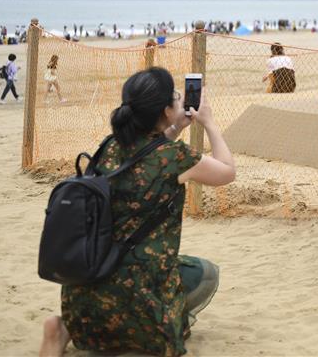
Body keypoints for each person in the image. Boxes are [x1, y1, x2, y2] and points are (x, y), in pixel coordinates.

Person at [39, 67, 236, 357]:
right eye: (176, 98)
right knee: (203, 273)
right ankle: (157, 324)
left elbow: (144, 152)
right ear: (167, 110)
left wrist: (175, 127)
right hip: (138, 296)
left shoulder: (108, 146)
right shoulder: (175, 158)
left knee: (120, 285)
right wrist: (209, 123)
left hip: (84, 289)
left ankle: (63, 329)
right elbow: (227, 172)